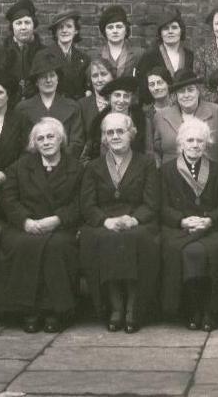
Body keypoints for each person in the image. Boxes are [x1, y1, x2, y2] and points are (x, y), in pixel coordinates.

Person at [0, 118, 82, 333]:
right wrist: (25, 221)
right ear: (34, 143)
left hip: (60, 225)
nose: (46, 142)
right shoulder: (20, 166)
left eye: (50, 136)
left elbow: (81, 202)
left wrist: (58, 219)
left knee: (57, 247)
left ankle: (55, 311)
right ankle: (28, 310)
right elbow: (9, 198)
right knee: (22, 244)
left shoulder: (76, 167)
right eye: (40, 138)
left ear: (60, 138)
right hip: (27, 224)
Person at [80, 113, 160, 333]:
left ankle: (133, 308)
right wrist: (105, 221)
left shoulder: (146, 163)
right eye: (110, 132)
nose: (115, 136)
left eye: (120, 131)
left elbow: (152, 202)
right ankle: (115, 307)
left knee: (135, 238)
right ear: (104, 138)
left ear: (131, 134)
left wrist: (134, 219)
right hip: (104, 222)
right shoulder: (93, 167)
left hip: (137, 220)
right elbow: (87, 205)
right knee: (105, 239)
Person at [159, 117, 218, 331]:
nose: (195, 145)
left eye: (200, 141)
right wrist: (182, 221)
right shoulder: (166, 170)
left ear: (206, 144)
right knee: (189, 251)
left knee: (216, 248)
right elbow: (162, 206)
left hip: (211, 227)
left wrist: (210, 220)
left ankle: (210, 309)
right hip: (179, 229)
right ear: (181, 143)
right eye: (190, 140)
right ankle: (192, 308)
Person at [15, 49, 85, 160]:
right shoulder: (23, 108)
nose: (48, 80)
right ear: (36, 81)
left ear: (58, 79)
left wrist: (57, 159)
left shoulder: (72, 107)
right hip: (33, 167)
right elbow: (21, 144)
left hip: (65, 165)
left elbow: (77, 142)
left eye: (52, 75)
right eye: (43, 76)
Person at [153, 69, 218, 166]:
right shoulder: (161, 116)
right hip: (171, 177)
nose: (186, 95)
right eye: (182, 91)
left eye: (191, 90)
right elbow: (155, 152)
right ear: (176, 95)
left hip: (210, 177)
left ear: (198, 91)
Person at [135, 6, 194, 105]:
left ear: (181, 31)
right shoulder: (150, 56)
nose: (170, 31)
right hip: (157, 108)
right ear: (160, 33)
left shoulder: (189, 55)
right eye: (166, 28)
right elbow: (143, 87)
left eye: (174, 27)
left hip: (184, 105)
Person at [0, 0, 44, 102]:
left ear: (34, 25)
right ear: (12, 27)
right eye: (18, 23)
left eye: (27, 22)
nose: (23, 27)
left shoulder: (43, 52)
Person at [85, 76, 146, 159]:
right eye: (117, 95)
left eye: (126, 96)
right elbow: (86, 156)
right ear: (110, 97)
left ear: (131, 98)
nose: (121, 100)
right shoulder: (98, 122)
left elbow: (149, 152)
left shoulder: (141, 121)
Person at [45, 9, 90, 100]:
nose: (64, 30)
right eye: (60, 27)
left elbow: (87, 87)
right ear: (56, 32)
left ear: (76, 31)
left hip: (76, 108)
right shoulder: (45, 56)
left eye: (69, 26)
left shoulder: (84, 59)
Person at [77, 58, 116, 158]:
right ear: (90, 80)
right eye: (95, 76)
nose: (99, 80)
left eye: (103, 74)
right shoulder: (82, 105)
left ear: (112, 76)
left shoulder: (120, 101)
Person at [97, 5, 142, 78]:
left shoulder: (139, 55)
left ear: (126, 30)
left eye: (119, 27)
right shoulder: (94, 55)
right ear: (104, 32)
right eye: (110, 27)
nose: (115, 31)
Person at [142, 65, 173, 154]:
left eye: (160, 83)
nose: (156, 88)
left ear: (168, 83)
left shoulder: (179, 108)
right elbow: (149, 149)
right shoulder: (146, 113)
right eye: (152, 84)